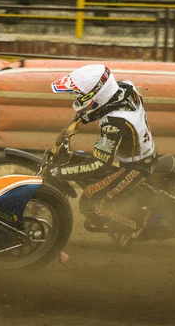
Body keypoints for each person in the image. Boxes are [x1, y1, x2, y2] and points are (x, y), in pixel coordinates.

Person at [48, 64, 159, 245]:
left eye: (79, 95)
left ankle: (135, 225)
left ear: (96, 95)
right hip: (143, 151)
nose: (75, 98)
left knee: (90, 201)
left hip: (137, 166)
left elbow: (100, 164)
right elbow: (109, 104)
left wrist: (60, 173)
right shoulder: (125, 88)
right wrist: (90, 114)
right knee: (79, 160)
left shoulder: (114, 124)